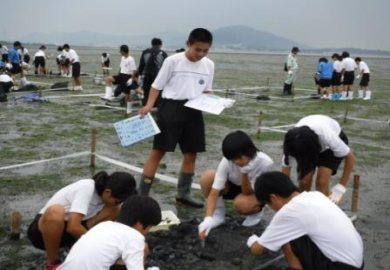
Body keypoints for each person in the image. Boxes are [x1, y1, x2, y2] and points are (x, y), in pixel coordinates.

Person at [138, 28, 215, 208]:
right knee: (158, 151)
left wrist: (216, 102)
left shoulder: (209, 65)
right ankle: (141, 195)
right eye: (198, 49)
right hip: (171, 107)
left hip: (194, 109)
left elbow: (208, 90)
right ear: (188, 43)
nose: (201, 54)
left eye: (205, 50)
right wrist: (149, 105)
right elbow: (156, 86)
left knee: (191, 154)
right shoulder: (172, 61)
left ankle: (183, 195)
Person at [247, 171, 364, 270]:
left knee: (287, 239)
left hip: (341, 267)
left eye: (268, 204)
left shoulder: (290, 211)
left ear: (273, 198)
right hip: (357, 262)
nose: (271, 208)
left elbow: (257, 250)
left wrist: (253, 240)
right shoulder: (316, 195)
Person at [27, 171, 137, 270]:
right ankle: (52, 262)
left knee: (115, 209)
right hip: (43, 232)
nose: (116, 203)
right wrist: (99, 244)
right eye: (116, 200)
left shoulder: (108, 197)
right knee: (56, 212)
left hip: (70, 232)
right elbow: (73, 227)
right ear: (108, 192)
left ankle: (74, 248)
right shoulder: (87, 187)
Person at [198, 131, 274, 239]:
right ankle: (218, 214)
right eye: (232, 159)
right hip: (232, 186)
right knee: (207, 177)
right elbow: (214, 192)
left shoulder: (265, 162)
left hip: (252, 191)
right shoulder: (227, 161)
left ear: (248, 151)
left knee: (242, 204)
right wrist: (208, 218)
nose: (236, 162)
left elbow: (247, 192)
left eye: (238, 158)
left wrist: (244, 172)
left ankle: (255, 213)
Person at [58, 195, 161, 270]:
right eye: (150, 227)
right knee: (144, 248)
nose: (148, 232)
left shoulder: (104, 225)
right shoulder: (135, 237)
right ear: (139, 224)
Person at [282, 115, 355, 203]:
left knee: (322, 181)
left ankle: (324, 208)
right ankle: (303, 208)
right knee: (304, 181)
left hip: (330, 146)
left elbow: (350, 157)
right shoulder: (292, 143)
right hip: (306, 145)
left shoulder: (328, 136)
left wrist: (341, 188)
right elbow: (285, 174)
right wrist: (287, 193)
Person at [138, 38, 168, 106]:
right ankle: (156, 109)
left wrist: (139, 76)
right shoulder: (163, 53)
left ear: (152, 44)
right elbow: (166, 68)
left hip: (146, 77)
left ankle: (146, 108)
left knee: (146, 94)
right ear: (160, 45)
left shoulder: (145, 52)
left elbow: (141, 66)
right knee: (157, 95)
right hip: (157, 77)